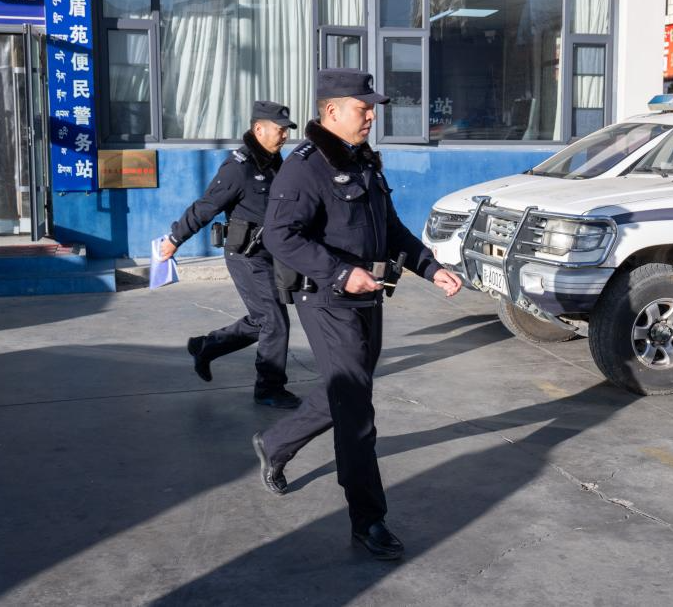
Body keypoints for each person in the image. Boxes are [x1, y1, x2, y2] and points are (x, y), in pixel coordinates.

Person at [252, 69, 462, 560]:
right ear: (331, 111)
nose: (371, 116)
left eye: (372, 108)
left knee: (346, 393)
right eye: (362, 108)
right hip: (327, 300)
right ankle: (368, 520)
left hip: (369, 298)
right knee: (357, 412)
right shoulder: (305, 166)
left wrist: (431, 268)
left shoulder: (363, 162)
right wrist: (341, 274)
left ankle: (276, 443)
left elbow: (391, 229)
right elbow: (280, 235)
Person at [160, 101, 301, 409]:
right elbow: (205, 206)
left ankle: (206, 346)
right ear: (258, 129)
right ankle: (269, 388)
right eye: (279, 130)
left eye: (286, 131)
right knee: (274, 321)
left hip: (270, 253)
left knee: (263, 320)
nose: (284, 136)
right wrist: (174, 238)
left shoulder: (274, 162)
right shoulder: (238, 167)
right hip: (246, 256)